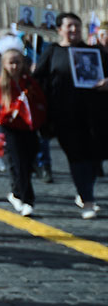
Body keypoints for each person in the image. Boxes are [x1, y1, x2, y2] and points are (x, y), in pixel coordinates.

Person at [33, 12, 108, 219]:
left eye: (77, 25)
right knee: (77, 156)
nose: (74, 30)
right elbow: (38, 80)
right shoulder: (52, 53)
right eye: (69, 26)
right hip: (65, 113)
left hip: (95, 113)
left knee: (95, 157)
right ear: (59, 30)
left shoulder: (96, 51)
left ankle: (85, 192)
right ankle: (88, 200)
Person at [0, 39, 46, 217]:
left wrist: (38, 116)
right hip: (11, 129)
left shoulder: (29, 83)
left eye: (17, 62)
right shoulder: (1, 84)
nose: (14, 66)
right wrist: (3, 116)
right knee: (18, 164)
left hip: (29, 128)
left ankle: (17, 192)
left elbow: (41, 102)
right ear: (4, 65)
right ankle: (28, 199)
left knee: (29, 162)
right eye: (11, 63)